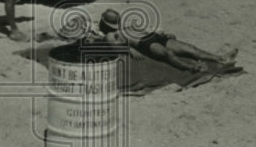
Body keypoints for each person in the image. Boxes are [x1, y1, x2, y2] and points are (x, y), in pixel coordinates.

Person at [97, 9, 238, 88]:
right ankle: (190, 68)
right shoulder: (111, 34)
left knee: (190, 48)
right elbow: (114, 47)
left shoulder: (126, 27)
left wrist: (163, 34)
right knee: (168, 54)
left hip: (154, 37)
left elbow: (146, 30)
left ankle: (220, 58)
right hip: (145, 44)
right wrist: (128, 50)